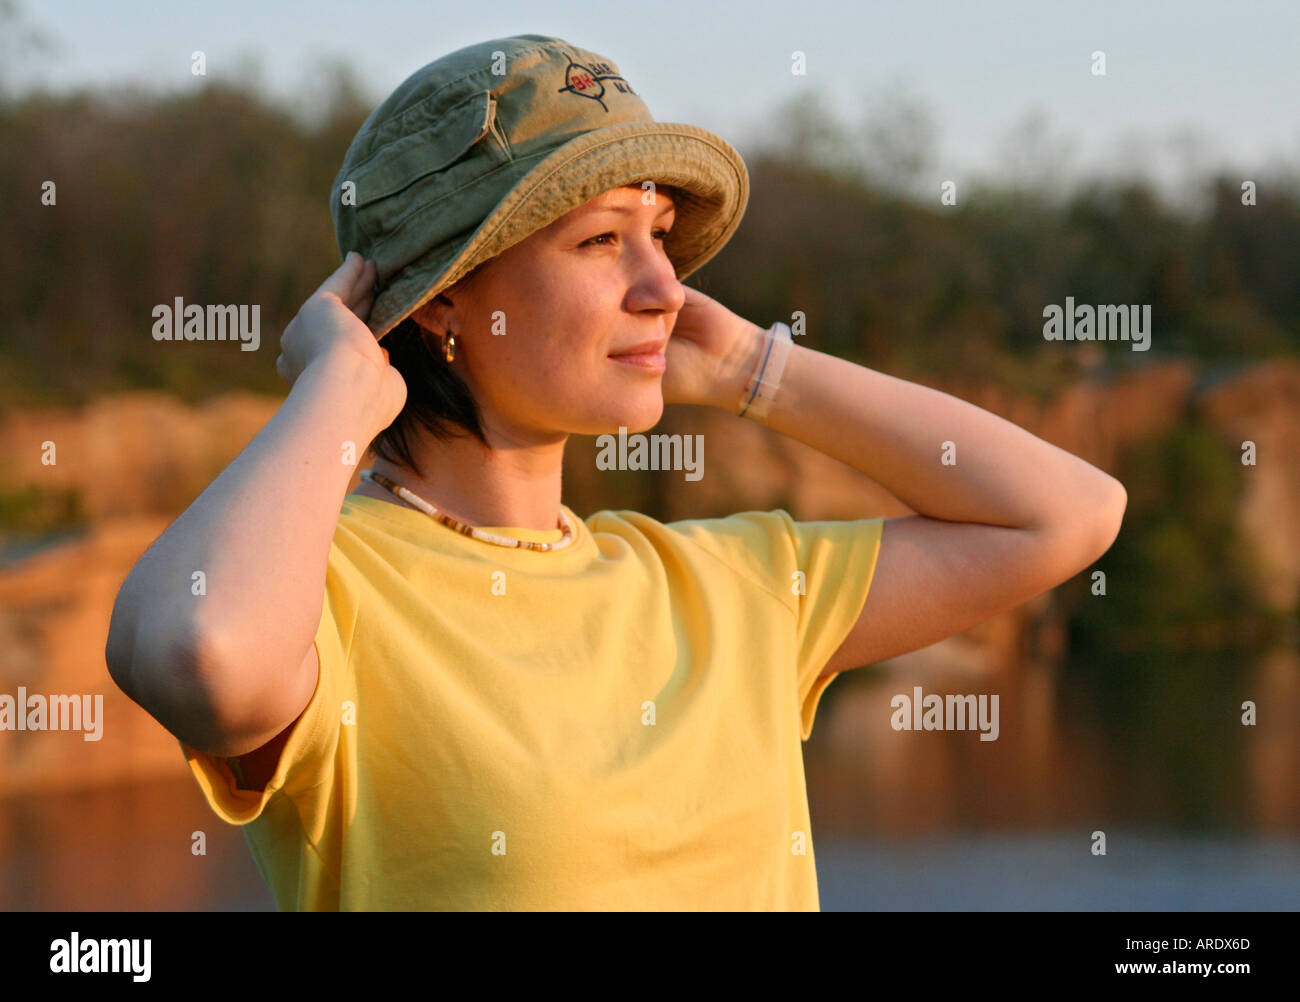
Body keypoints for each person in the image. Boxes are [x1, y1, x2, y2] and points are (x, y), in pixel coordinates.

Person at [106, 35, 1126, 911]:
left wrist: (751, 369)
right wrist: (335, 390)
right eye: (601, 241)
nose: (663, 289)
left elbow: (1069, 515)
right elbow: (205, 657)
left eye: (662, 240)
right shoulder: (329, 593)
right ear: (442, 301)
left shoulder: (732, 588)